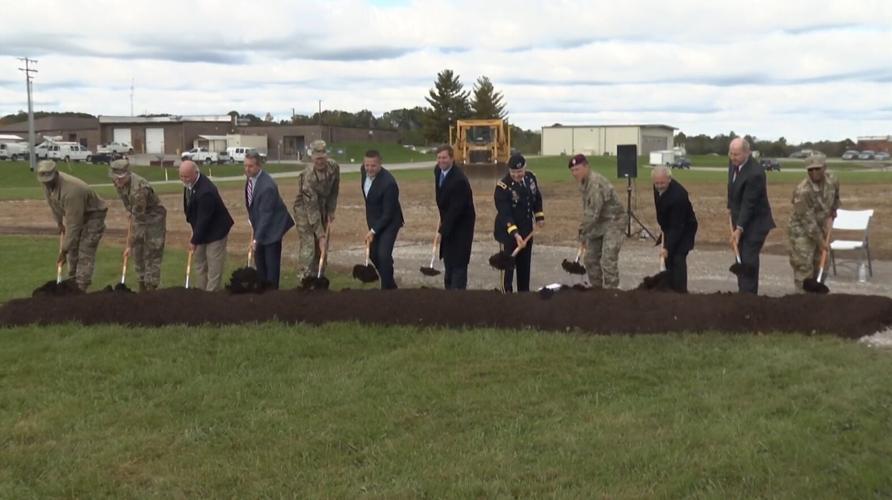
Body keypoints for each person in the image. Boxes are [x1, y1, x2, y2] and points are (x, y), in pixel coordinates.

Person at [38, 159, 108, 291]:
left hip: (93, 215)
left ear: (56, 174)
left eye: (49, 180)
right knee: (73, 250)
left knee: (85, 250)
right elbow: (53, 205)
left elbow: (74, 225)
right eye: (44, 181)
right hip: (76, 213)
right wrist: (59, 223)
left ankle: (81, 288)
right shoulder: (46, 184)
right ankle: (72, 283)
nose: (46, 183)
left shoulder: (71, 191)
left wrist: (63, 250)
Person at [568, 154, 625, 289]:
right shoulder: (583, 183)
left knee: (608, 260)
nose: (574, 173)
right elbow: (589, 211)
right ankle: (597, 292)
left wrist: (583, 234)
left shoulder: (595, 183)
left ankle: (612, 295)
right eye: (572, 170)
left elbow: (593, 213)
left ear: (587, 167)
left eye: (577, 169)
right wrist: (585, 234)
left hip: (614, 222)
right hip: (599, 222)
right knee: (590, 259)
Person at [110, 159, 167, 292]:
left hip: (154, 218)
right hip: (138, 213)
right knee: (138, 251)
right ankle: (142, 286)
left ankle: (151, 288)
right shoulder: (117, 182)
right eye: (115, 178)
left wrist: (129, 245)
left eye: (120, 179)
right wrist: (130, 210)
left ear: (127, 175)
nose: (117, 182)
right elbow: (126, 200)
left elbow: (139, 222)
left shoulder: (139, 190)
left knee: (152, 252)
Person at [728, 137, 775, 294]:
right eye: (731, 153)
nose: (733, 157)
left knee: (748, 260)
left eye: (737, 154)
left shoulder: (755, 173)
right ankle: (743, 293)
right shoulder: (733, 164)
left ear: (747, 153)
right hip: (740, 220)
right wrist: (730, 207)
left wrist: (739, 229)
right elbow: (732, 188)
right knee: (739, 257)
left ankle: (748, 299)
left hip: (756, 223)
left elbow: (749, 204)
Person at [493, 153, 544, 292]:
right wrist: (515, 234)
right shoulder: (503, 187)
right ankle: (507, 296)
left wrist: (539, 217)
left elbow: (536, 198)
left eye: (520, 171)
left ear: (525, 168)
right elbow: (505, 213)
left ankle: (523, 295)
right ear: (509, 170)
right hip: (508, 232)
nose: (517, 175)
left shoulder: (530, 178)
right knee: (508, 266)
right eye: (514, 172)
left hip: (527, 230)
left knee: (524, 265)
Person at [180, 160, 233, 291]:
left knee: (214, 266)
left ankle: (211, 297)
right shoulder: (189, 184)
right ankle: (201, 294)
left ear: (195, 173)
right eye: (181, 176)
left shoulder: (206, 192)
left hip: (216, 231)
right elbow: (193, 212)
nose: (183, 179)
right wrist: (194, 231)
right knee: (200, 263)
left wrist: (194, 240)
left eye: (186, 176)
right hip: (201, 229)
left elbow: (204, 220)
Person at [788, 154, 840, 291]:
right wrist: (821, 241)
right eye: (810, 170)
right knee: (804, 266)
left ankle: (817, 298)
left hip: (821, 226)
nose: (814, 172)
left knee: (822, 263)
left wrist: (833, 211)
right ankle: (802, 301)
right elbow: (808, 222)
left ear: (824, 167)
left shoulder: (832, 180)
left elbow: (836, 197)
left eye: (817, 169)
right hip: (801, 231)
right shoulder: (802, 191)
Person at [244, 151, 294, 289]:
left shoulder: (267, 187)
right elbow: (252, 204)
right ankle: (262, 290)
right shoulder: (250, 180)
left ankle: (272, 294)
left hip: (273, 228)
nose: (247, 169)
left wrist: (256, 239)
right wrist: (252, 222)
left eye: (251, 166)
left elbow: (266, 215)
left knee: (271, 264)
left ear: (259, 166)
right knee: (260, 262)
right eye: (245, 166)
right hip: (261, 225)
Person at [293, 140, 340, 279]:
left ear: (327, 156)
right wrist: (320, 235)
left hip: (323, 207)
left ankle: (320, 276)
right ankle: (305, 277)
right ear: (312, 158)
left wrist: (331, 210)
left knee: (324, 245)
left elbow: (334, 190)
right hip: (304, 210)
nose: (320, 161)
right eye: (317, 158)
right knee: (310, 244)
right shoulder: (308, 177)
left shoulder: (333, 167)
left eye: (323, 157)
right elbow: (311, 209)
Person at [434, 144, 476, 290]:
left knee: (459, 261)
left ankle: (458, 296)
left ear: (452, 158)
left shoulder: (459, 180)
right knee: (448, 258)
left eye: (444, 157)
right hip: (448, 221)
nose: (441, 161)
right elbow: (443, 199)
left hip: (462, 225)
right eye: (439, 158)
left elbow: (455, 210)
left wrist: (441, 231)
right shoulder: (438, 171)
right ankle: (448, 293)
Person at [361, 149, 404, 289]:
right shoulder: (363, 171)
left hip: (390, 222)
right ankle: (390, 282)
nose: (369, 168)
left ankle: (386, 289)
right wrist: (372, 227)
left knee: (383, 255)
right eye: (367, 165)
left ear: (380, 164)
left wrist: (373, 231)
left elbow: (388, 214)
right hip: (374, 220)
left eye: (373, 165)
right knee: (374, 253)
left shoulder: (389, 184)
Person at [652, 165, 698, 292]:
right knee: (668, 258)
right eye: (656, 183)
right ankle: (668, 289)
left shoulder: (679, 196)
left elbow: (677, 226)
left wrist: (667, 247)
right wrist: (663, 229)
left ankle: (681, 292)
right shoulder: (657, 186)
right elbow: (661, 209)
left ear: (669, 179)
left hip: (685, 228)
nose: (659, 186)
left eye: (662, 183)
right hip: (670, 226)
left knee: (678, 257)